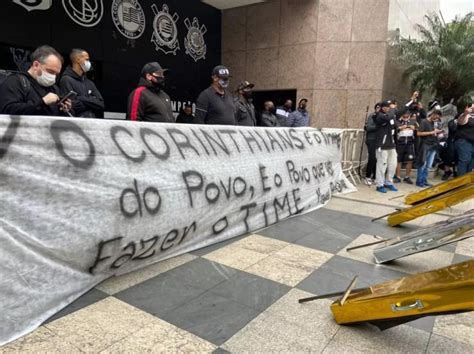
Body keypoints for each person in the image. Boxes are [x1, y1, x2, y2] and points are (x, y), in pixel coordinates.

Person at [0, 45, 71, 116]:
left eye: (56, 74)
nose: (53, 77)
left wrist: (64, 110)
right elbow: (8, 110)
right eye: (50, 71)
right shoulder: (16, 82)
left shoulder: (54, 88)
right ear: (36, 65)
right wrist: (42, 102)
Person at [59, 48, 104, 118]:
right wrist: (91, 102)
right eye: (87, 59)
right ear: (78, 60)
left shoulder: (89, 82)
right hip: (75, 124)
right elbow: (71, 105)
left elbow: (101, 104)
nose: (89, 62)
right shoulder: (66, 80)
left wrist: (80, 98)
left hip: (91, 122)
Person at [373, 100, 398, 193]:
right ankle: (379, 184)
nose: (388, 108)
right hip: (382, 146)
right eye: (387, 106)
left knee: (392, 165)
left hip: (391, 145)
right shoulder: (378, 115)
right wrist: (392, 109)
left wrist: (411, 100)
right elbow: (388, 117)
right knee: (381, 166)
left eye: (389, 106)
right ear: (383, 107)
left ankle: (389, 182)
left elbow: (398, 115)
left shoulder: (391, 115)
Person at [416, 109, 443, 187]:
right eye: (436, 117)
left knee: (429, 165)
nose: (436, 119)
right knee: (423, 163)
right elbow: (418, 133)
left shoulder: (435, 123)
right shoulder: (424, 121)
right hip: (425, 145)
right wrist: (431, 132)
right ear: (433, 114)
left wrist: (439, 133)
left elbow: (435, 133)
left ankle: (424, 180)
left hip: (433, 145)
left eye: (438, 118)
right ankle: (419, 181)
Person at [393, 109, 416, 184]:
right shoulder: (397, 121)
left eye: (408, 115)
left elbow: (417, 130)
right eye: (404, 115)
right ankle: (398, 176)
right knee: (399, 160)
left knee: (410, 160)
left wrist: (413, 128)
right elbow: (396, 129)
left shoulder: (413, 121)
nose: (406, 117)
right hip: (400, 143)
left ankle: (407, 177)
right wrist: (401, 128)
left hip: (409, 143)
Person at [454, 102, 474, 176]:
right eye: (471, 107)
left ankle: (466, 182)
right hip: (465, 142)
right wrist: (465, 113)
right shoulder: (465, 116)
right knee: (465, 161)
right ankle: (460, 183)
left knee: (471, 164)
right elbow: (461, 122)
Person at [363, 102, 381, 185]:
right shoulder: (372, 116)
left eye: (380, 107)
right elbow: (369, 127)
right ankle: (367, 176)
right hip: (371, 139)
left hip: (379, 140)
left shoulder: (382, 117)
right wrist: (378, 126)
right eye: (377, 107)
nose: (379, 109)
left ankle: (374, 176)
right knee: (372, 158)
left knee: (377, 159)